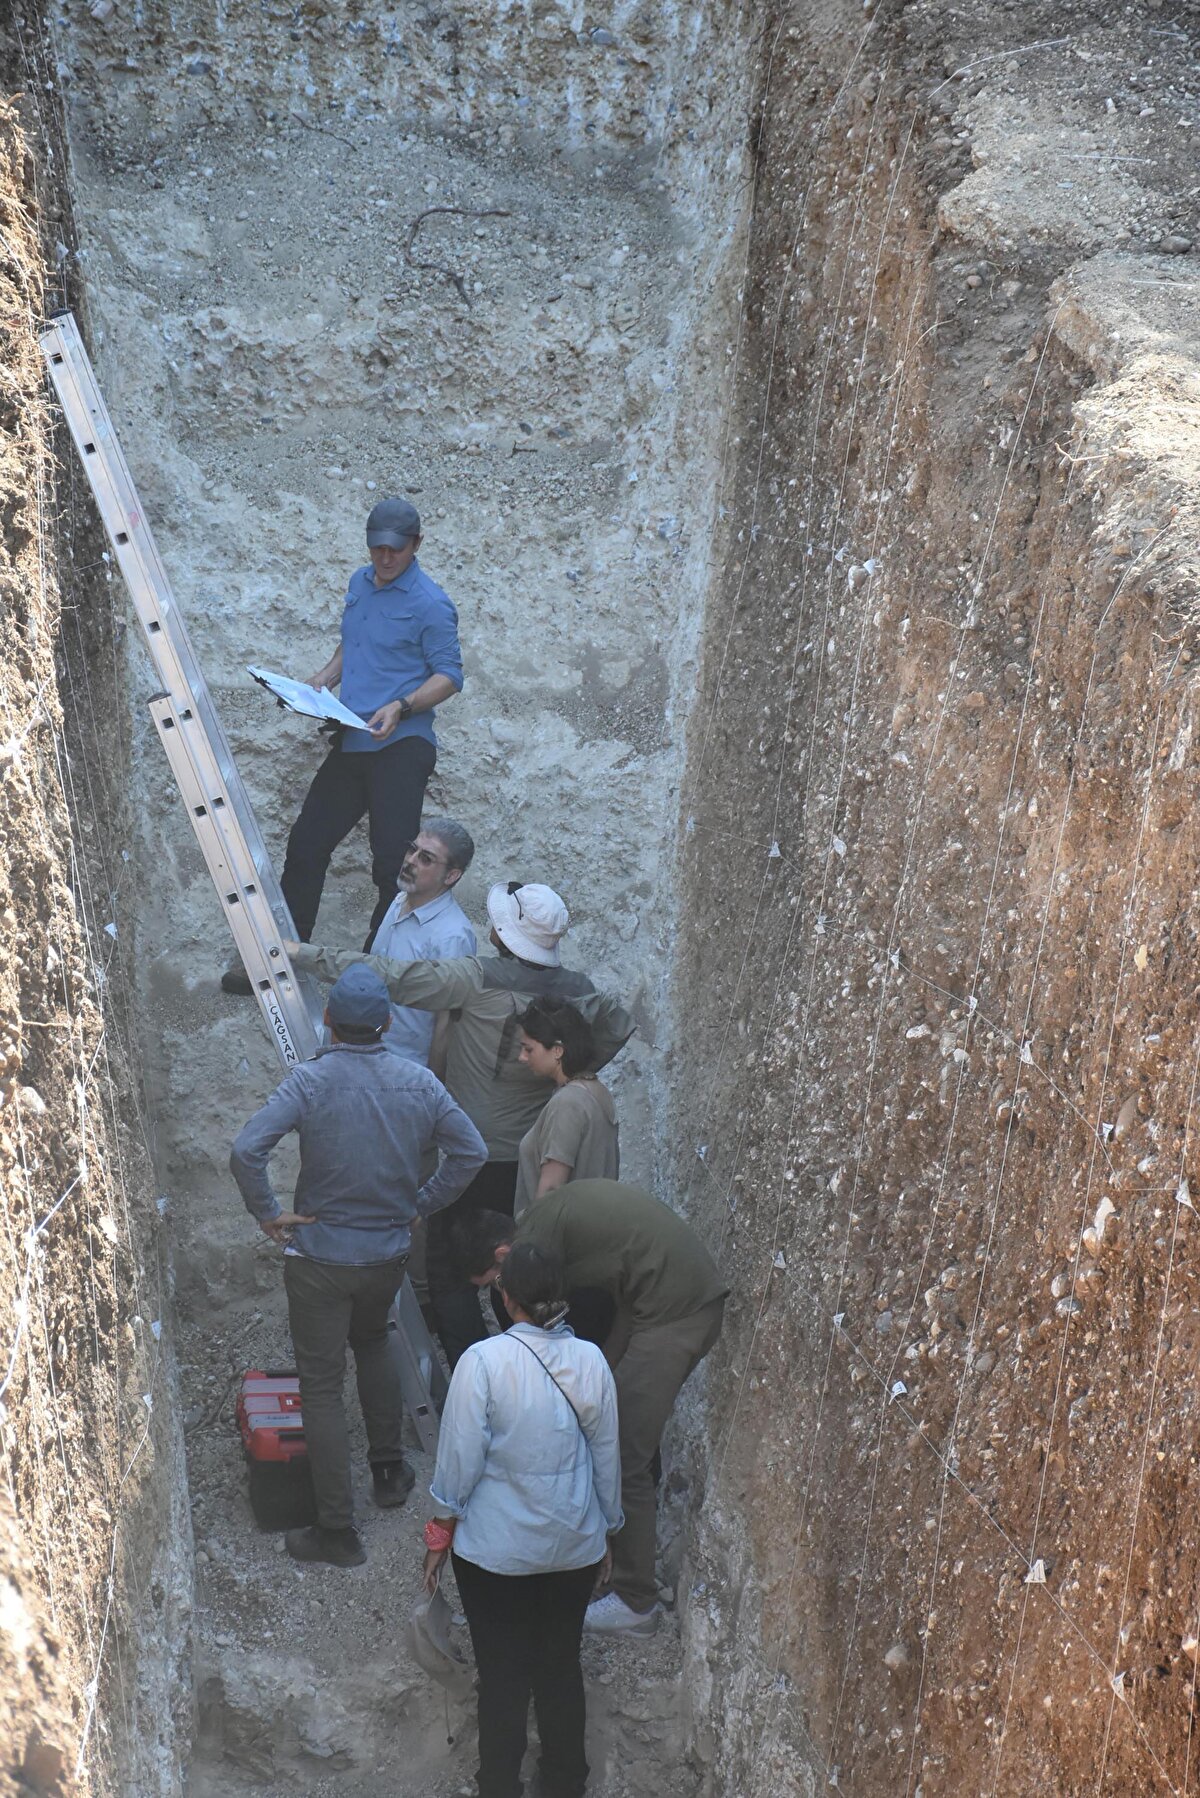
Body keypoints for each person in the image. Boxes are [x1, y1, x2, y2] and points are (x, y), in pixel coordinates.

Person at [286, 879, 634, 1366]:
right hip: (532, 1159)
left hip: (471, 1156)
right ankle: (533, 1376)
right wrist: (571, 1071)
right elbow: (620, 1023)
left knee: (451, 1274)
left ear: (501, 933)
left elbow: (391, 975)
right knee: (519, 1271)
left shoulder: (475, 978)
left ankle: (477, 1380)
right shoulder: (577, 993)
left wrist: (303, 953)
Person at [229, 965, 486, 1568]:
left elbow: (246, 1151)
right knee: (373, 1345)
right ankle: (390, 1472)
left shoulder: (309, 1082)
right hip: (386, 1254)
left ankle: (338, 1530)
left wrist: (270, 1213)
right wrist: (418, 1205)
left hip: (319, 1257)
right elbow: (470, 1151)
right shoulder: (418, 1082)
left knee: (320, 1385)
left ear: (327, 1021)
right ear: (388, 1024)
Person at [461, 1180, 728, 1636]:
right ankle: (613, 1559)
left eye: (494, 1284)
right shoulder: (536, 1227)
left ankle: (636, 1600)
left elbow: (544, 1334)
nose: (499, 1295)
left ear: (503, 1257)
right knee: (604, 1405)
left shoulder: (534, 1247)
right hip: (645, 1300)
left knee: (624, 1452)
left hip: (674, 1311)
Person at [222, 497, 462, 993]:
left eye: (395, 550)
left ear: (416, 545)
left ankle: (369, 982)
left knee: (388, 869)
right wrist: (321, 682)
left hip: (402, 746)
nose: (385, 558)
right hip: (353, 741)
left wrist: (403, 705)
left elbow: (450, 677)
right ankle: (280, 959)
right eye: (377, 549)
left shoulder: (432, 604)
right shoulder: (359, 583)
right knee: (307, 844)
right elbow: (352, 643)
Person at [423, 1241, 622, 1798]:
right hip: (573, 1548)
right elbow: (607, 1457)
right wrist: (606, 1531)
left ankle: (499, 1786)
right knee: (560, 1664)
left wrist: (439, 1533)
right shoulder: (592, 1361)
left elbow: (458, 1464)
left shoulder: (482, 1364)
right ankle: (564, 1783)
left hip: (495, 1556)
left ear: (504, 1298)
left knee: (503, 1675)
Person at [369, 817, 477, 1069]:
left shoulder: (453, 936)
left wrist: (431, 1089)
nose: (410, 860)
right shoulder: (398, 901)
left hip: (406, 1071)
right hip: (368, 1054)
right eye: (412, 849)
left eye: (426, 858)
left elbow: (446, 1024)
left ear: (451, 875)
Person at [513, 999, 619, 1215]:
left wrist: (534, 1241)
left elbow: (552, 1189)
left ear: (558, 1050)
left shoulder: (567, 1103)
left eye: (528, 1049)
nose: (522, 1058)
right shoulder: (595, 1090)